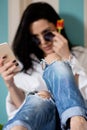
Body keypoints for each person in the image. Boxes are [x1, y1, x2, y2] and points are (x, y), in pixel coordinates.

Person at [0, 2, 87, 130]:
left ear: (58, 27)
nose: (43, 42)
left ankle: (76, 119)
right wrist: (10, 84)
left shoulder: (82, 55)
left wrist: (68, 59)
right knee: (40, 97)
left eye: (47, 34)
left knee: (55, 62)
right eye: (35, 38)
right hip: (42, 125)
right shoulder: (24, 65)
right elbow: (23, 109)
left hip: (77, 118)